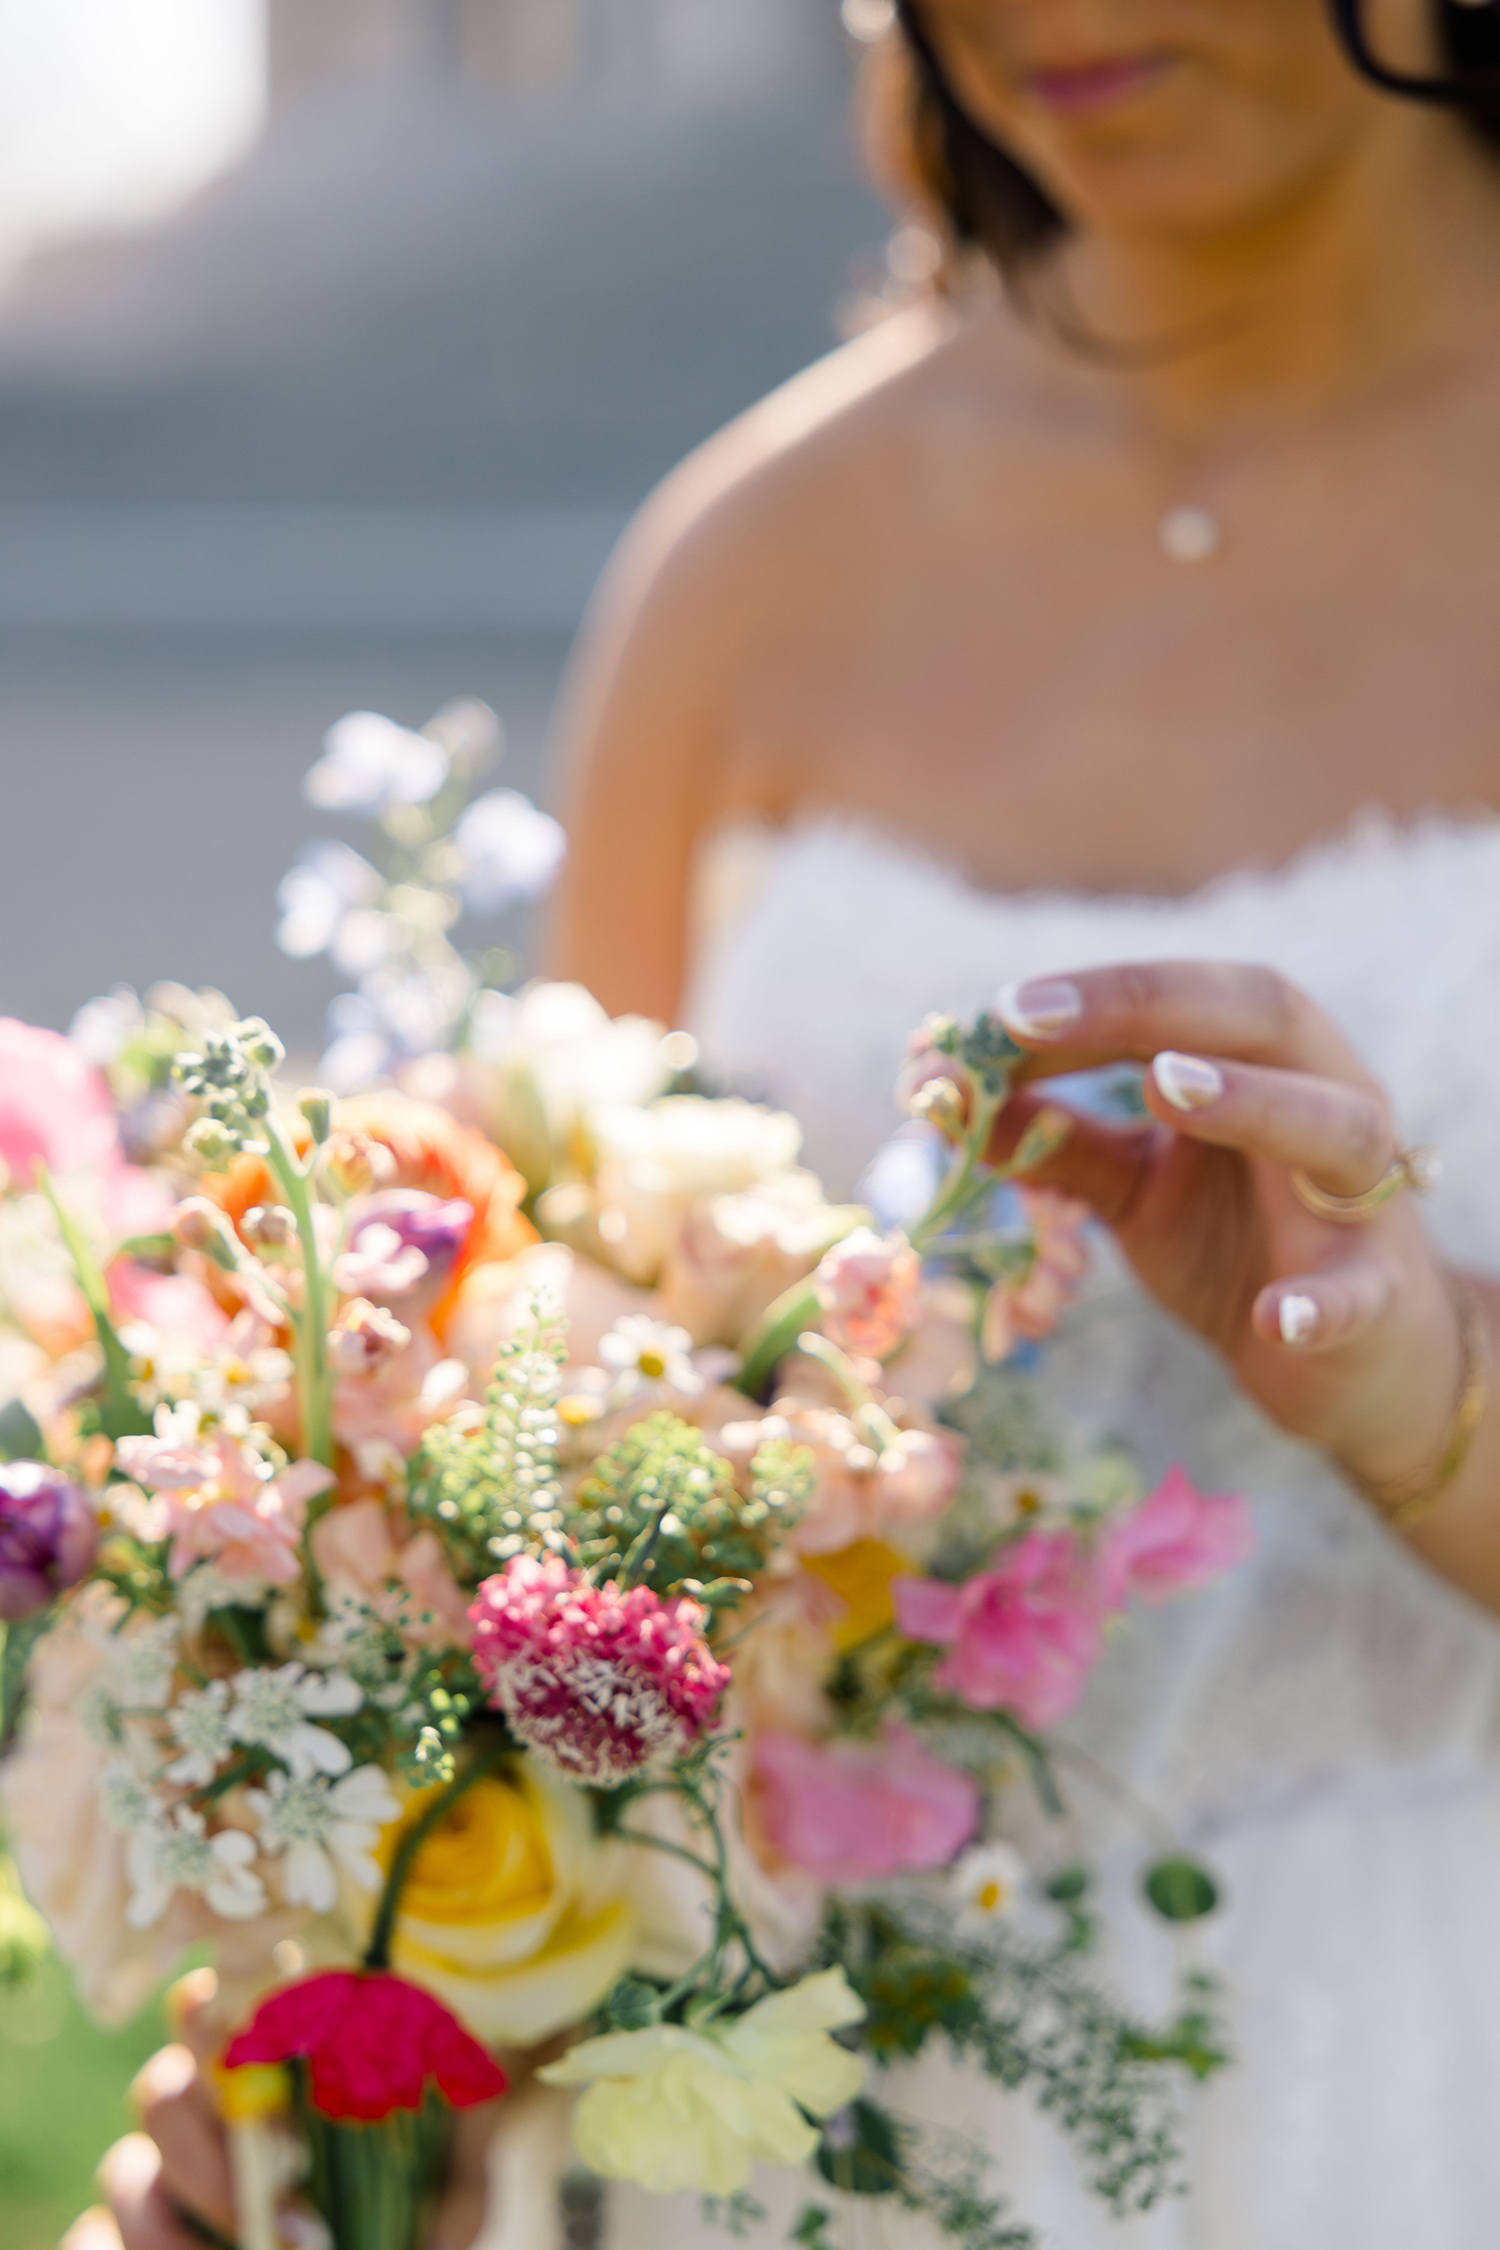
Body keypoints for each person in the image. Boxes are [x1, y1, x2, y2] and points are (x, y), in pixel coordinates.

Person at [77, 0, 1500, 2241]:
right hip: (774, 2136)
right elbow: (528, 1457)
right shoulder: (747, 568)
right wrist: (372, 2035)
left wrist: (1436, 1407)